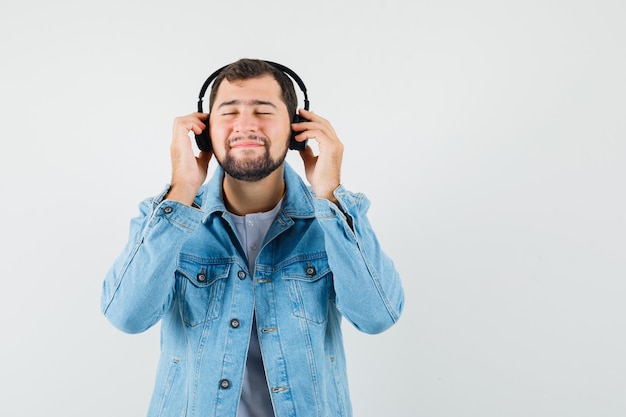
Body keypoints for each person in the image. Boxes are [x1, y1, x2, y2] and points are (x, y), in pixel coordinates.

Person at [101, 58, 404, 417]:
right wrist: (181, 188)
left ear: (296, 131)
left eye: (263, 111)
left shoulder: (330, 221)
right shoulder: (170, 221)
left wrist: (331, 192)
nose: (245, 125)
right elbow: (127, 316)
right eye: (229, 112)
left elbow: (378, 316)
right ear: (204, 131)